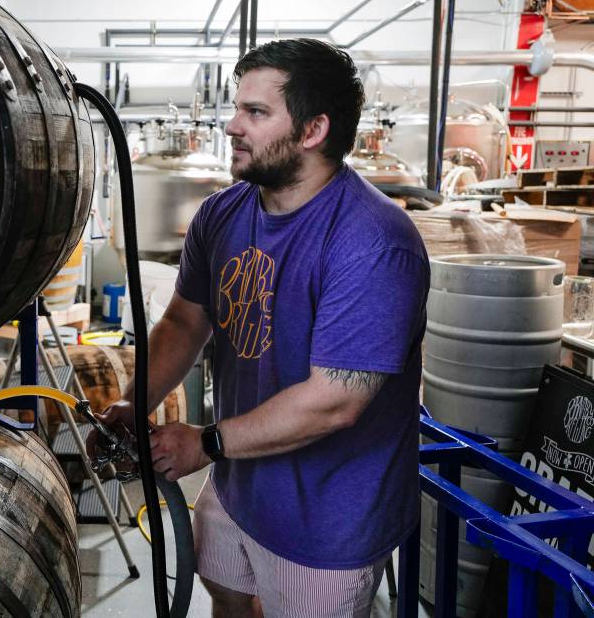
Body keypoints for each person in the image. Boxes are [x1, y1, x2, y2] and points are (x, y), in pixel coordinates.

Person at [91, 38, 429, 618]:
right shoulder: (224, 213)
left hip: (327, 520)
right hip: (238, 486)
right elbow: (183, 320)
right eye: (236, 107)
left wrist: (205, 443)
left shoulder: (372, 241)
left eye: (255, 112)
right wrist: (133, 401)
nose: (230, 125)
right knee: (226, 599)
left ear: (313, 130)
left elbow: (334, 403)